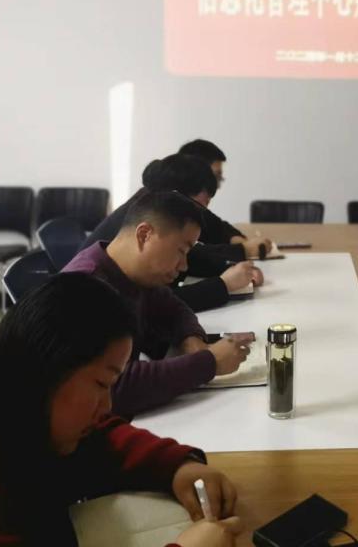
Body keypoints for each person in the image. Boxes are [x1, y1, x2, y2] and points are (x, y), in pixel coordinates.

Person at [0, 273, 241, 546]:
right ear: (44, 370)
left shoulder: (4, 397)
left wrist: (176, 465)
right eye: (101, 384)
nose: (107, 405)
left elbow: (96, 437)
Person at [66, 189, 251, 417]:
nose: (184, 265)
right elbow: (114, 389)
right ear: (144, 235)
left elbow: (174, 309)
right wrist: (209, 363)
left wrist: (192, 342)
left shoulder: (131, 272)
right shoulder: (85, 287)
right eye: (181, 251)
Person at [83, 154, 260, 311]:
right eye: (200, 207)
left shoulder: (152, 208)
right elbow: (152, 310)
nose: (183, 265)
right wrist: (223, 285)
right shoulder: (145, 220)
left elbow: (170, 302)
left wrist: (230, 266)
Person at [178, 139, 273, 254]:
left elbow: (219, 228)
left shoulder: (196, 211)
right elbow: (192, 254)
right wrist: (244, 250)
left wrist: (238, 241)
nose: (217, 186)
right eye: (214, 177)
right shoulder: (170, 209)